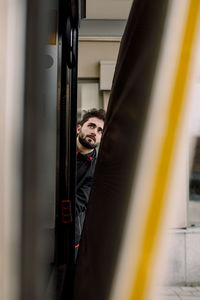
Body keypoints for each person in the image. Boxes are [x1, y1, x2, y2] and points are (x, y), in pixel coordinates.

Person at [75, 108, 106, 259]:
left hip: (67, 234)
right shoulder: (55, 147)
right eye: (91, 126)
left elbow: (79, 203)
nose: (95, 132)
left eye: (100, 131)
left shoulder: (97, 171)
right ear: (79, 128)